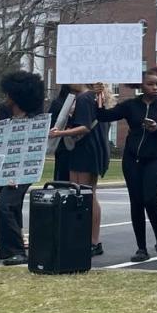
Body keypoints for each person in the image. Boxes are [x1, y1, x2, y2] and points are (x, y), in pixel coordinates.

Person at [95, 68, 157, 263]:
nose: (156, 87)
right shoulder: (131, 105)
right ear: (141, 85)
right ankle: (141, 248)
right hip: (132, 159)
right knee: (136, 202)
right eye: (151, 84)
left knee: (150, 199)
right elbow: (104, 116)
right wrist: (99, 95)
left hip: (155, 158)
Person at [0, 71, 45, 265]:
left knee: (4, 207)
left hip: (24, 169)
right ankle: (11, 249)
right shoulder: (4, 111)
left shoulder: (36, 118)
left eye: (10, 93)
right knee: (11, 206)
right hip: (5, 167)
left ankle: (15, 251)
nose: (7, 97)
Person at [49, 83, 111, 256]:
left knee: (84, 194)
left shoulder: (84, 97)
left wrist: (59, 133)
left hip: (84, 149)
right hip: (89, 149)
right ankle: (89, 239)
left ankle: (92, 240)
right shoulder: (94, 96)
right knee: (87, 193)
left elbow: (85, 127)